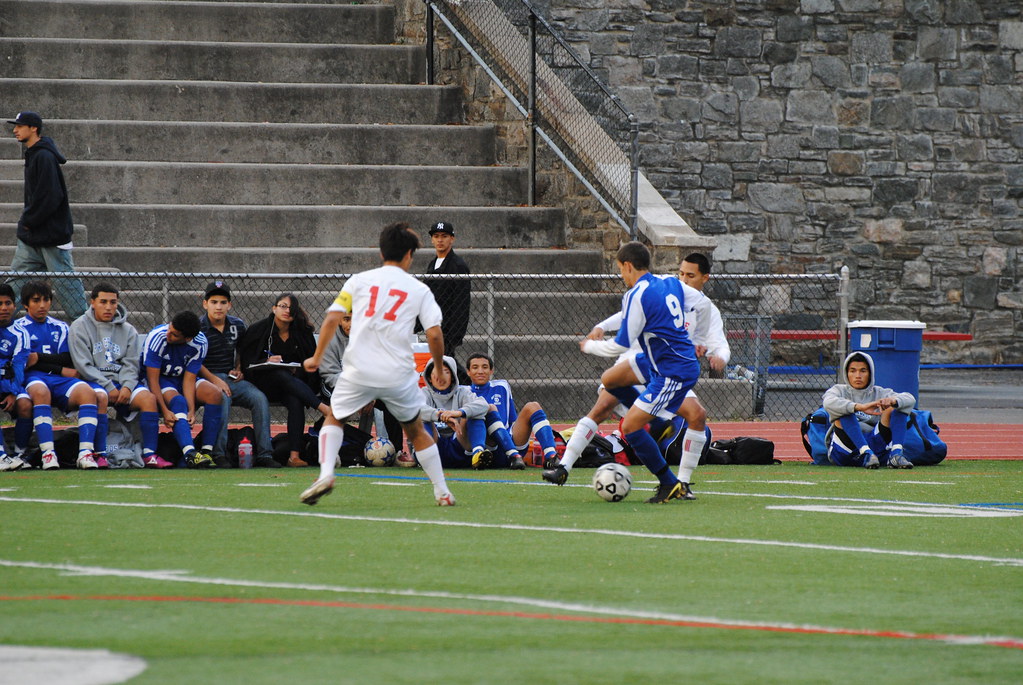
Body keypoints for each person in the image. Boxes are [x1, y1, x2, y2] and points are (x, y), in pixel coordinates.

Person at [301, 221, 456, 507]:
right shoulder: (419, 289)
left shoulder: (358, 281)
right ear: (409, 255)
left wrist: (317, 356)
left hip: (359, 368)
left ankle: (325, 474)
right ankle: (442, 491)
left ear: (381, 251)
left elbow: (332, 318)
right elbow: (434, 333)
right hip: (397, 372)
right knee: (415, 431)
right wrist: (438, 366)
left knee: (335, 417)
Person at [573, 241, 714, 503]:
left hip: (672, 370)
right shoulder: (669, 282)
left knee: (631, 425)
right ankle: (659, 423)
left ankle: (670, 483)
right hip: (660, 362)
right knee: (611, 379)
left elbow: (621, 344)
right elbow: (704, 304)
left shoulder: (637, 294)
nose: (621, 277)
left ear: (628, 266)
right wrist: (699, 339)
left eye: (620, 270)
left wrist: (590, 346)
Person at [68, 283, 171, 468]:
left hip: (122, 383)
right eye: (103, 302)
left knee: (148, 398)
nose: (108, 307)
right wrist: (108, 386)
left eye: (113, 302)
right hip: (94, 382)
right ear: (92, 302)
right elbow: (83, 365)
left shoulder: (128, 330)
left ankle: (149, 455)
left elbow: (131, 364)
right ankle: (100, 454)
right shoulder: (79, 327)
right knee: (100, 397)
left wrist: (127, 387)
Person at [11, 280, 109, 469]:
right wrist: (58, 367)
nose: (42, 305)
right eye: (36, 300)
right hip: (33, 378)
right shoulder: (19, 328)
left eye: (46, 300)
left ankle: (85, 453)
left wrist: (40, 359)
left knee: (88, 393)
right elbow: (25, 363)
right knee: (41, 392)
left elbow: (65, 358)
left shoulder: (61, 327)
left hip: (58, 379)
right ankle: (48, 454)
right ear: (25, 304)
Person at [6, 111, 86, 320]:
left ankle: (85, 328)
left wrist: (28, 221)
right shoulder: (34, 153)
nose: (15, 130)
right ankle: (3, 319)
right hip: (32, 237)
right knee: (15, 283)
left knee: (66, 285)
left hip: (50, 235)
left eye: (20, 126)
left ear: (34, 128)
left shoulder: (43, 156)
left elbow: (51, 196)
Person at [239, 293, 330, 467]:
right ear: (274, 308)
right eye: (282, 306)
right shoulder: (259, 329)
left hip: (292, 387)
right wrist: (266, 362)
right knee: (279, 373)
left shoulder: (301, 332)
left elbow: (310, 363)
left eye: (290, 308)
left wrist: (298, 369)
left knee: (295, 399)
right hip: (263, 384)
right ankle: (324, 408)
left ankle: (294, 456)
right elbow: (247, 362)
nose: (286, 311)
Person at [199, 280, 279, 468]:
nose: (219, 307)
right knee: (222, 398)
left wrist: (239, 368)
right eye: (214, 302)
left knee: (259, 398)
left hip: (231, 377)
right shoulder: (198, 327)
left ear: (230, 305)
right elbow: (194, 362)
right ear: (205, 304)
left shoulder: (237, 325)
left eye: (223, 302)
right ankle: (219, 454)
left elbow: (243, 350)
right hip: (206, 378)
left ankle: (264, 454)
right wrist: (215, 380)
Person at [141, 311, 223, 468]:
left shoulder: (200, 342)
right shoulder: (158, 337)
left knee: (214, 394)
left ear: (187, 339)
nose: (168, 334)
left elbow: (189, 378)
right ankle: (189, 453)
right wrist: (165, 411)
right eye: (170, 328)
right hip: (160, 380)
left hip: (180, 378)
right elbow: (153, 380)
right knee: (178, 401)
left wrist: (192, 410)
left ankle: (206, 452)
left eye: (174, 335)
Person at [318, 309, 404, 455]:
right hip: (336, 387)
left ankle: (397, 452)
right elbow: (330, 376)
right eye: (346, 319)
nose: (351, 324)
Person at [467, 353, 561, 470]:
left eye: (485, 367)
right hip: (489, 447)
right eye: (475, 367)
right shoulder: (464, 392)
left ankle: (550, 456)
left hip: (511, 442)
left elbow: (512, 419)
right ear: (468, 372)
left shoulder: (502, 386)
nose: (480, 371)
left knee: (533, 406)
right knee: (485, 410)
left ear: (491, 371)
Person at [823, 351, 915, 469]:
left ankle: (896, 455)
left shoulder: (879, 392)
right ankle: (865, 452)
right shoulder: (839, 390)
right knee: (844, 412)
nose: (858, 375)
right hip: (846, 449)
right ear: (846, 373)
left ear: (870, 373)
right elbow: (827, 402)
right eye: (853, 371)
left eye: (863, 371)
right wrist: (858, 407)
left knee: (897, 407)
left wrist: (892, 401)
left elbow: (910, 399)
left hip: (875, 446)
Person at [419, 355, 492, 469]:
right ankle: (424, 456)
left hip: (459, 443)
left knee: (475, 413)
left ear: (453, 376)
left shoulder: (463, 392)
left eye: (446, 372)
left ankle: (478, 453)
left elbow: (483, 405)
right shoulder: (423, 393)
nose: (441, 377)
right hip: (434, 446)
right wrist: (440, 415)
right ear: (429, 377)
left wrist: (459, 413)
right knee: (421, 419)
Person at [423, 221, 470, 360]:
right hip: (433, 324)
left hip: (448, 328)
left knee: (446, 363)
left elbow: (461, 303)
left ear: (452, 239)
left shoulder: (458, 266)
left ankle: (465, 380)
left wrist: (455, 334)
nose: (440, 240)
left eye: (444, 236)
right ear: (432, 239)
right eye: (436, 236)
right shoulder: (433, 263)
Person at [678, 253, 730, 378]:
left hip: (682, 369)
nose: (684, 280)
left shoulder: (710, 311)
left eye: (690, 276)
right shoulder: (666, 297)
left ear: (705, 278)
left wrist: (721, 358)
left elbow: (720, 346)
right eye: (681, 274)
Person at [0, 283, 31, 471]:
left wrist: (12, 392)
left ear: (14, 305)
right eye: (0, 303)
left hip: (8, 385)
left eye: (8, 303)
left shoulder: (20, 333)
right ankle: (1, 455)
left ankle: (20, 453)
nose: (4, 308)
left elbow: (18, 367)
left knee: (25, 404)